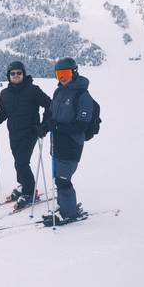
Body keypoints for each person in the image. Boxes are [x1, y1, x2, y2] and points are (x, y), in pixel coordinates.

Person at [0, 61, 51, 208]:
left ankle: (29, 192)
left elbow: (49, 104)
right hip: (14, 133)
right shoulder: (5, 93)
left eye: (19, 73)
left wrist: (44, 125)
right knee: (18, 161)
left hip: (30, 132)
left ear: (23, 74)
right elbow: (2, 113)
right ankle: (24, 185)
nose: (16, 75)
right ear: (8, 76)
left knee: (22, 162)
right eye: (12, 73)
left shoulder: (33, 90)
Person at [42, 57, 93, 226]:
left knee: (63, 179)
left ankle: (69, 213)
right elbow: (50, 113)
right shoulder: (59, 91)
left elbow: (81, 125)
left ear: (74, 72)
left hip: (71, 144)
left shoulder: (82, 95)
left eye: (65, 73)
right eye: (58, 74)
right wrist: (45, 126)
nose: (62, 77)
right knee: (58, 176)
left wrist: (56, 127)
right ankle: (65, 204)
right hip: (56, 142)